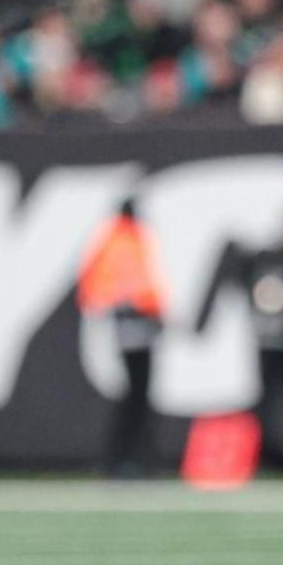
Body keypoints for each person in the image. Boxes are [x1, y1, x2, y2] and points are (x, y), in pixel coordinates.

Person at [195, 211, 283, 469]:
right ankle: (266, 454)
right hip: (271, 342)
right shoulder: (268, 258)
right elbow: (250, 286)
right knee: (268, 400)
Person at [76, 197, 167, 477]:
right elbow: (123, 289)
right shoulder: (125, 242)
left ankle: (131, 459)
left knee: (136, 398)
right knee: (135, 398)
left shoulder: (117, 240)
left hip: (133, 329)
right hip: (133, 330)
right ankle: (125, 459)